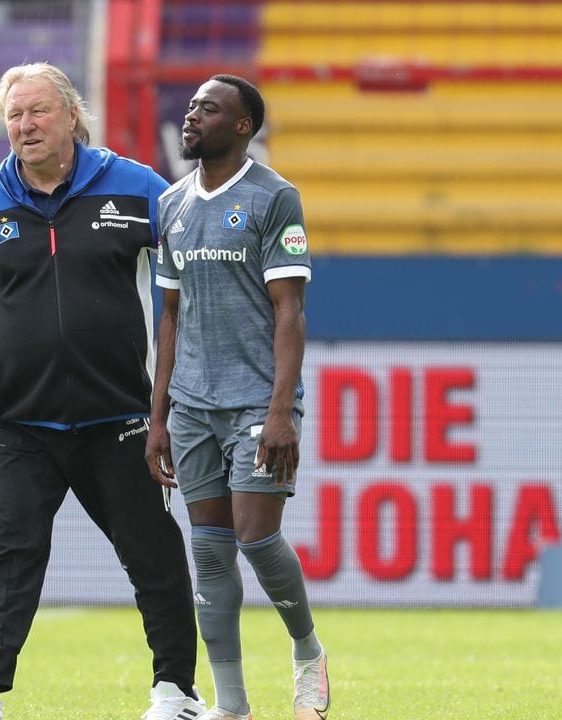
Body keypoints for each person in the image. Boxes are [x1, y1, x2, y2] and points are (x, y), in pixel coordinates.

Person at [0, 62, 204, 720]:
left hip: (123, 421)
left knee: (154, 555)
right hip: (20, 425)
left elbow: (194, 282)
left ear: (72, 115)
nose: (26, 126)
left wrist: (185, 392)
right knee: (11, 558)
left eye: (39, 111)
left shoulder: (139, 189)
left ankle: (176, 694)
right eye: (14, 116)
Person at [145, 74, 330, 720]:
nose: (192, 116)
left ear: (242, 126)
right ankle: (231, 706)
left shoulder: (275, 199)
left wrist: (281, 412)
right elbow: (167, 317)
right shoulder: (169, 204)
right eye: (192, 106)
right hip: (191, 404)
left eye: (209, 109)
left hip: (257, 404)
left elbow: (291, 314)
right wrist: (158, 416)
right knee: (209, 553)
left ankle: (307, 650)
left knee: (254, 539)